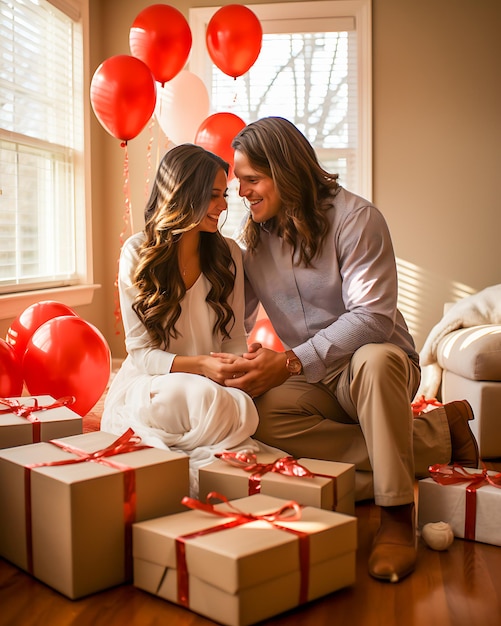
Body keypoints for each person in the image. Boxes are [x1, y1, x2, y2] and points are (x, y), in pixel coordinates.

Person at [217, 117, 479, 583]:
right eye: (239, 182)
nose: (242, 192)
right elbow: (234, 318)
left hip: (380, 364)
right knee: (262, 413)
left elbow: (373, 317)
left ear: (285, 171)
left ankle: (396, 512)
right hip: (318, 379)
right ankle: (438, 433)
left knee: (373, 359)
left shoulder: (357, 219)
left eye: (251, 179)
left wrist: (291, 360)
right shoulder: (254, 242)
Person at [101, 144, 263, 495]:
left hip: (213, 385)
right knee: (195, 397)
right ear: (184, 194)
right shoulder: (137, 253)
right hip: (157, 384)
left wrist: (238, 368)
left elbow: (234, 334)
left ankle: (209, 423)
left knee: (243, 408)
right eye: (214, 195)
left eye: (225, 196)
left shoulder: (229, 254)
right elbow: (142, 354)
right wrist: (202, 367)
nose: (223, 206)